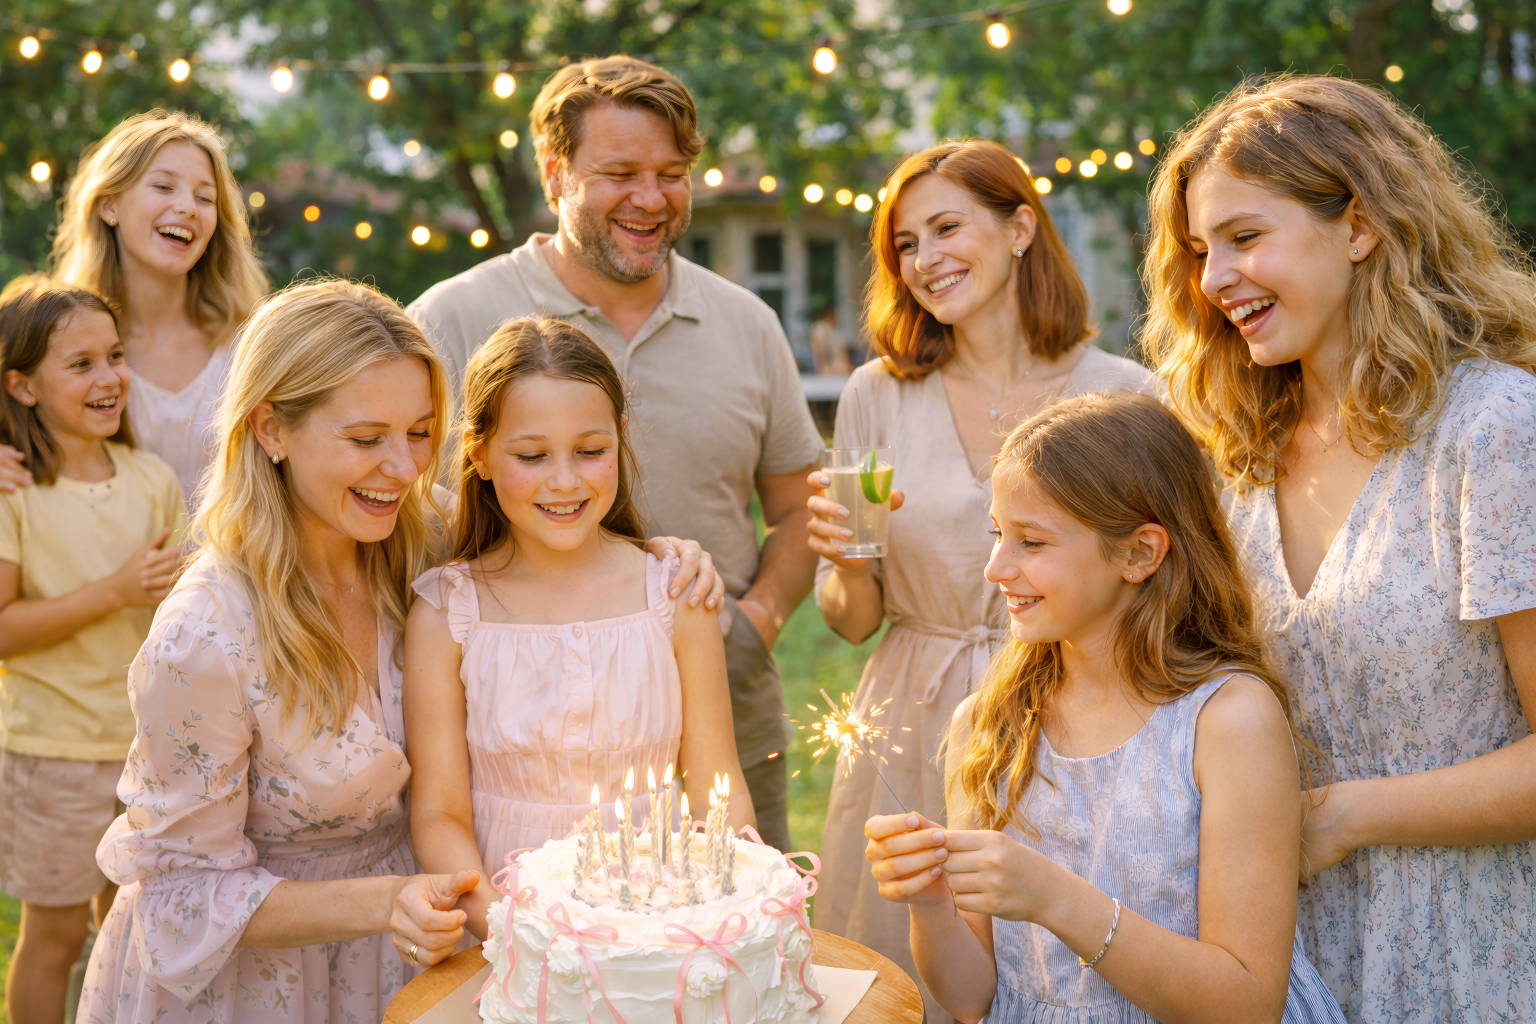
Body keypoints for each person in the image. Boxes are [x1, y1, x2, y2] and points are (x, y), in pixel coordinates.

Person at [1141, 75, 1536, 1020]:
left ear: (1359, 227)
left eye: (1245, 237)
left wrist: (1343, 817)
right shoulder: (1227, 454)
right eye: (1201, 251)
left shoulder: (1492, 431)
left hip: (1466, 957)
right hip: (1272, 954)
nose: (1213, 280)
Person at [407, 56, 821, 855]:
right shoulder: (452, 319)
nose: (651, 197)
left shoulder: (745, 323)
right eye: (620, 172)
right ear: (556, 172)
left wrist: (754, 622)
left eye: (672, 173)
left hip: (717, 685)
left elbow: (799, 505)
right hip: (511, 715)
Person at [807, 138, 1155, 1019]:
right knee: (900, 971)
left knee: (1061, 965)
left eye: (947, 228)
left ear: (1021, 228)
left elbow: (1156, 583)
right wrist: (846, 560)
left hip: (1072, 711)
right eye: (906, 245)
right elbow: (852, 621)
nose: (926, 260)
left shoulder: (1125, 396)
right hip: (911, 716)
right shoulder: (876, 396)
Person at [865, 393, 1344, 1023]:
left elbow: (1247, 1003)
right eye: (997, 534)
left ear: (1140, 553)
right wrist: (932, 904)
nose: (995, 567)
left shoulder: (1227, 723)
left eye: (1032, 542)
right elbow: (970, 997)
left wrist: (1055, 899)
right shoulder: (989, 727)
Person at [405, 316, 752, 939]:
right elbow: (438, 813)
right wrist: (507, 924)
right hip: (506, 921)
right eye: (532, 455)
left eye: (590, 452)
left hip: (664, 926)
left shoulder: (674, 593)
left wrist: (723, 910)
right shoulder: (447, 612)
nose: (564, 480)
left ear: (620, 440)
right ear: (480, 454)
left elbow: (715, 786)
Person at [0, 278, 184, 1024]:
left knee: (131, 933)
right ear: (24, 386)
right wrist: (114, 591)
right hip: (55, 754)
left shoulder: (154, 482)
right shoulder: (16, 495)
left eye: (113, 356)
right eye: (79, 365)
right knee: (56, 935)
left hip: (146, 752)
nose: (108, 378)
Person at [48, 109, 267, 512]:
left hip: (234, 572)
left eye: (205, 197)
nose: (187, 207)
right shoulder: (55, 343)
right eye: (164, 187)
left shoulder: (249, 343)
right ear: (109, 205)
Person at [809, 305, 853, 375]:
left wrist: (847, 364)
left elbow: (843, 349)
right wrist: (821, 365)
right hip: (828, 369)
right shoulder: (821, 328)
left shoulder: (837, 331)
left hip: (840, 369)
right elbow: (818, 347)